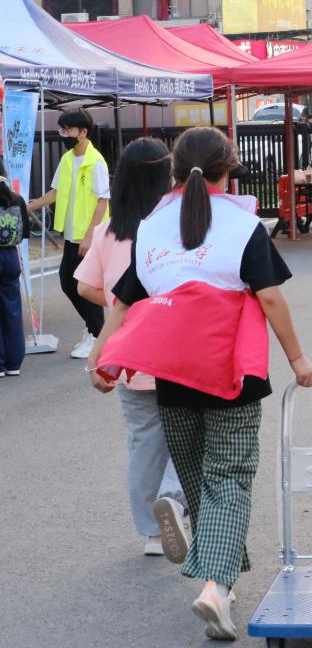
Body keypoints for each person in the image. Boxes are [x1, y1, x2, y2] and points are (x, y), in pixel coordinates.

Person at [86, 127, 312, 641]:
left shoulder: (151, 227)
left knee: (197, 481)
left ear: (174, 171)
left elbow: (125, 301)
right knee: (228, 480)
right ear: (227, 171)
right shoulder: (242, 225)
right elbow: (270, 297)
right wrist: (298, 359)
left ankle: (223, 583)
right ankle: (216, 587)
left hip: (172, 375)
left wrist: (102, 357)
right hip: (232, 374)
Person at [73, 138, 187, 558]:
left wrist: (119, 303)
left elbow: (84, 286)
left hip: (128, 355)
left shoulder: (108, 231)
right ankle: (172, 500)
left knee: (143, 442)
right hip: (178, 352)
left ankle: (152, 534)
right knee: (191, 435)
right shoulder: (176, 226)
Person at [26, 108, 109, 359]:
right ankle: (94, 330)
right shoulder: (67, 159)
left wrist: (90, 236)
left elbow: (103, 200)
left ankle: (97, 335)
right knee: (69, 282)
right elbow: (55, 193)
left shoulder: (96, 162)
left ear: (83, 132)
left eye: (67, 129)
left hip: (88, 237)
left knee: (82, 285)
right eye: (61, 129)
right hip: (73, 235)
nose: (63, 134)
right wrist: (27, 206)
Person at [0, 166, 29, 378]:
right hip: (10, 256)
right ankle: (14, 362)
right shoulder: (16, 199)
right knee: (12, 309)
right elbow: (24, 232)